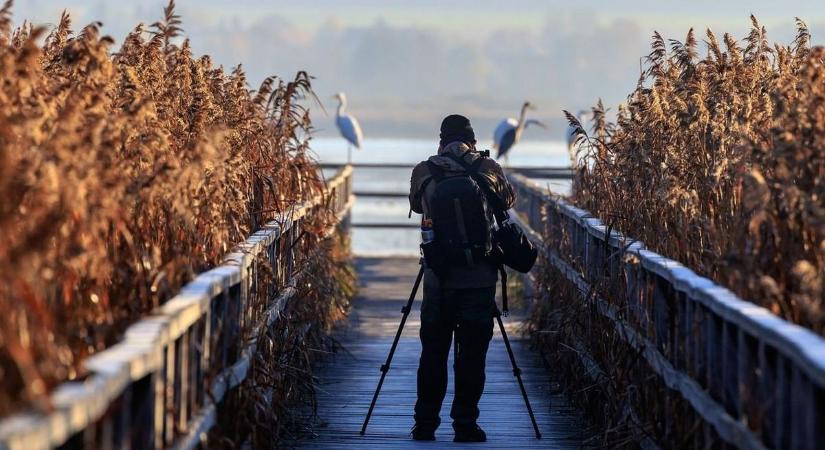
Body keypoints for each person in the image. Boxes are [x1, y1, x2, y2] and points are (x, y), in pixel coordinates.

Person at [407, 114, 515, 442]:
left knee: (433, 352)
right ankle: (465, 424)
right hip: (479, 278)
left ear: (441, 141)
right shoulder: (488, 168)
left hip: (438, 279)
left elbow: (415, 203)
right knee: (472, 355)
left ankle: (425, 424)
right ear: (473, 141)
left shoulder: (424, 170)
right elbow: (508, 200)